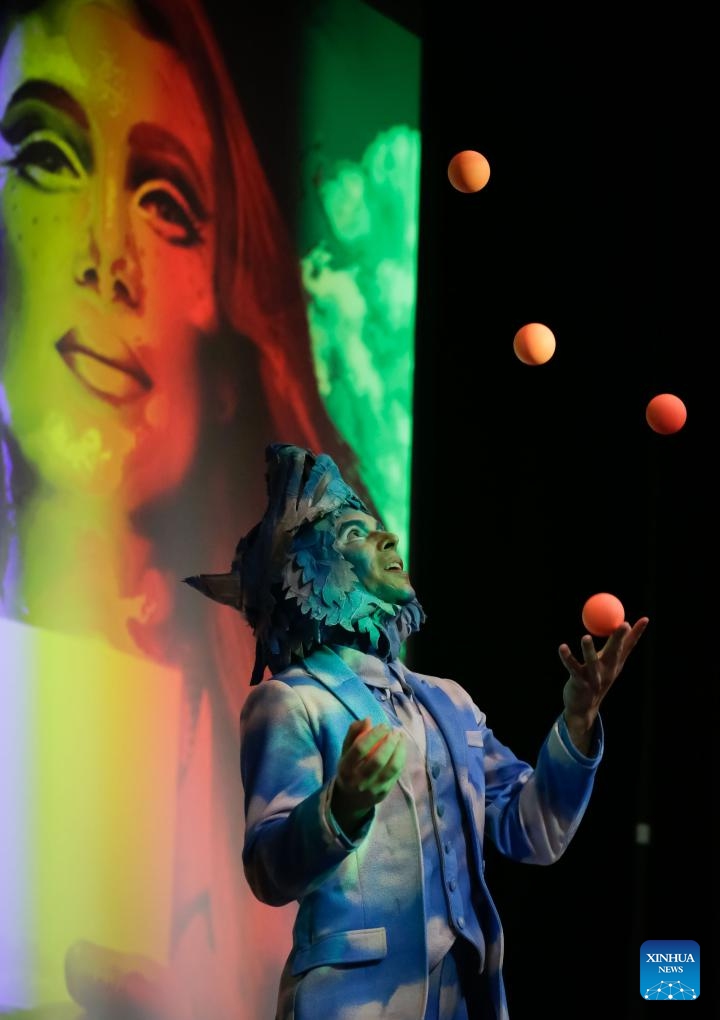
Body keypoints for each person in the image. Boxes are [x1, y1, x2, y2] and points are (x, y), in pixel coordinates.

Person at [0, 2, 365, 1016]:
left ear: (220, 295)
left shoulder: (279, 715)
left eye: (165, 202)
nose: (105, 257)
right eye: (44, 155)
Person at [186, 441, 650, 1020]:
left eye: (380, 529)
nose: (387, 539)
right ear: (311, 573)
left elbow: (531, 830)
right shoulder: (290, 700)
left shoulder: (447, 701)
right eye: (355, 535)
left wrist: (578, 719)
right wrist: (341, 805)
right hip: (349, 1005)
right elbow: (268, 869)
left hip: (464, 999)